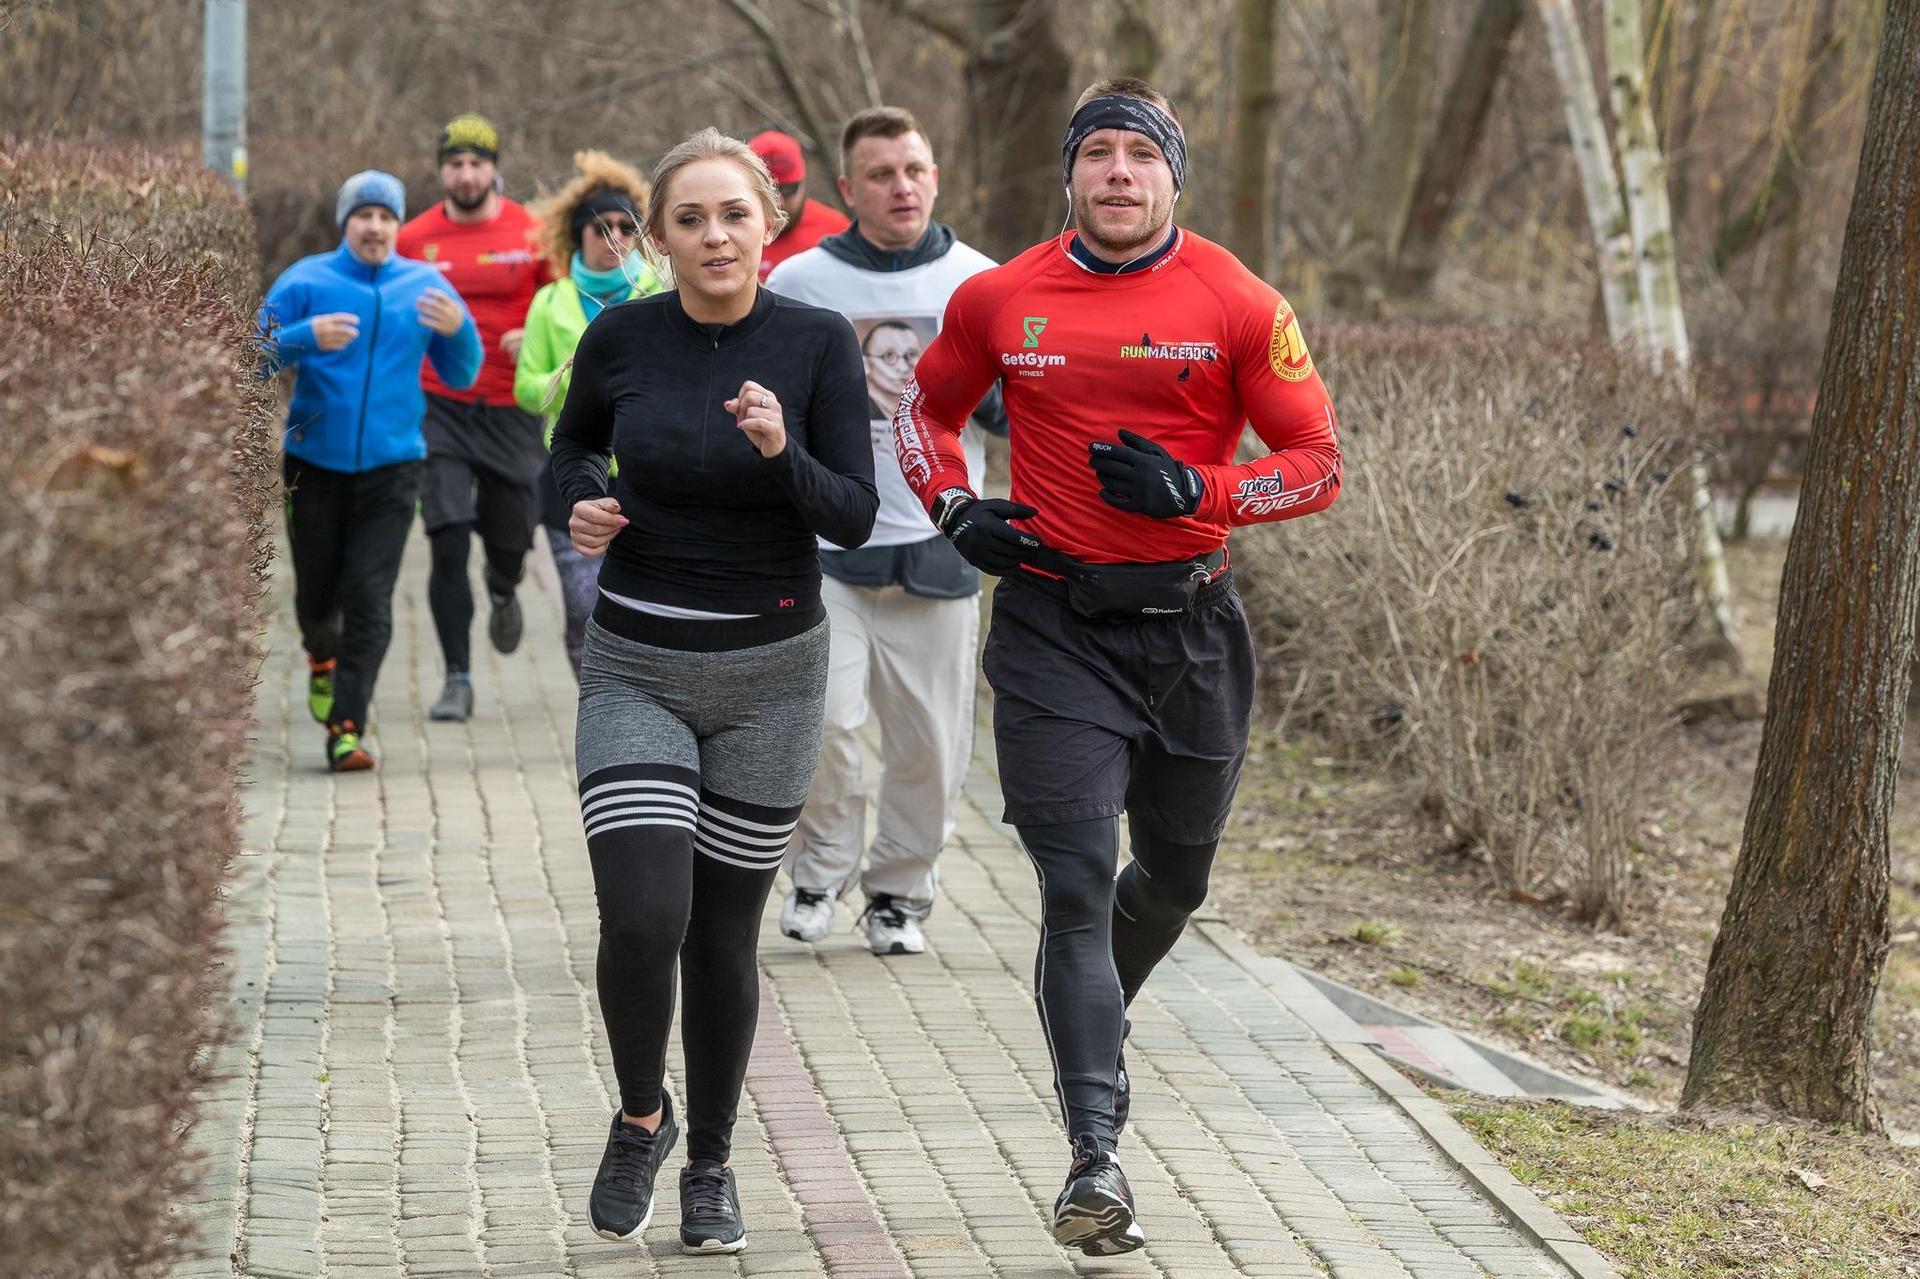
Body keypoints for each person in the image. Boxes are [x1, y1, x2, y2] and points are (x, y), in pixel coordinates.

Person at [893, 78, 1341, 1256]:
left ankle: (1090, 1013)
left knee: (1175, 882)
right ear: (1071, 175)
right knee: (1077, 882)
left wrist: (1205, 490)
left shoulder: (1237, 299)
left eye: (1141, 156)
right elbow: (919, 415)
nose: (1118, 173)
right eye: (1097, 153)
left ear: (1171, 178)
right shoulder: (1001, 297)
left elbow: (1318, 461)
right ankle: (1097, 1148)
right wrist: (953, 511)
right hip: (1053, 623)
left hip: (1193, 629)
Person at [550, 128, 876, 1254]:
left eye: (733, 214)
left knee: (724, 935)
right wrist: (583, 499)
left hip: (773, 680)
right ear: (658, 237)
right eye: (688, 219)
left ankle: (713, 1163)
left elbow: (852, 513)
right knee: (645, 917)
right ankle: (643, 1111)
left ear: (768, 223)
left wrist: (784, 450)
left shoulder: (818, 343)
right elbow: (568, 453)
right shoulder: (621, 336)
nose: (713, 236)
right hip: (636, 662)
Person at [766, 106, 1005, 957]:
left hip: (941, 544)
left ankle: (901, 893)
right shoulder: (799, 283)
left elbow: (1023, 415)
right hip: (829, 548)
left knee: (932, 747)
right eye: (880, 174)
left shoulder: (984, 283)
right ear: (847, 189)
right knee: (823, 726)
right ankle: (817, 869)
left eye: (914, 169)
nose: (901, 187)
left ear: (936, 176)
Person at [258, 171, 482, 772]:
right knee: (316, 600)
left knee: (370, 597)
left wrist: (459, 334)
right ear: (346, 223)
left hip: (394, 467)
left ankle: (346, 729)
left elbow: (463, 373)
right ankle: (321, 658)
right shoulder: (306, 281)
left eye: (387, 217)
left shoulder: (425, 286)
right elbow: (246, 356)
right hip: (315, 465)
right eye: (365, 216)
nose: (376, 227)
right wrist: (304, 338)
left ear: (398, 226)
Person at [396, 113, 552, 721]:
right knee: (446, 536)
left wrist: (532, 335)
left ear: (494, 169)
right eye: (455, 164)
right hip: (440, 407)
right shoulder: (413, 240)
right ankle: (456, 677)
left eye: (476, 163)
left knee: (512, 534)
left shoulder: (533, 231)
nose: (466, 174)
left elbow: (559, 299)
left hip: (512, 405)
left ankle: (505, 582)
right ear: (441, 171)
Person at [514, 151, 664, 676]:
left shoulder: (660, 295)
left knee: (645, 606)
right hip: (572, 475)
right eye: (601, 228)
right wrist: (575, 379)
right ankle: (598, 700)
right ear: (577, 236)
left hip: (648, 476)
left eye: (627, 227)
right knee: (583, 605)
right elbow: (526, 389)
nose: (615, 238)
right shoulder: (551, 302)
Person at [748, 129, 849, 280]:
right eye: (768, 192)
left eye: (788, 189)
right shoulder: (729, 237)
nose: (778, 201)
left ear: (802, 183)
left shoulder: (835, 230)